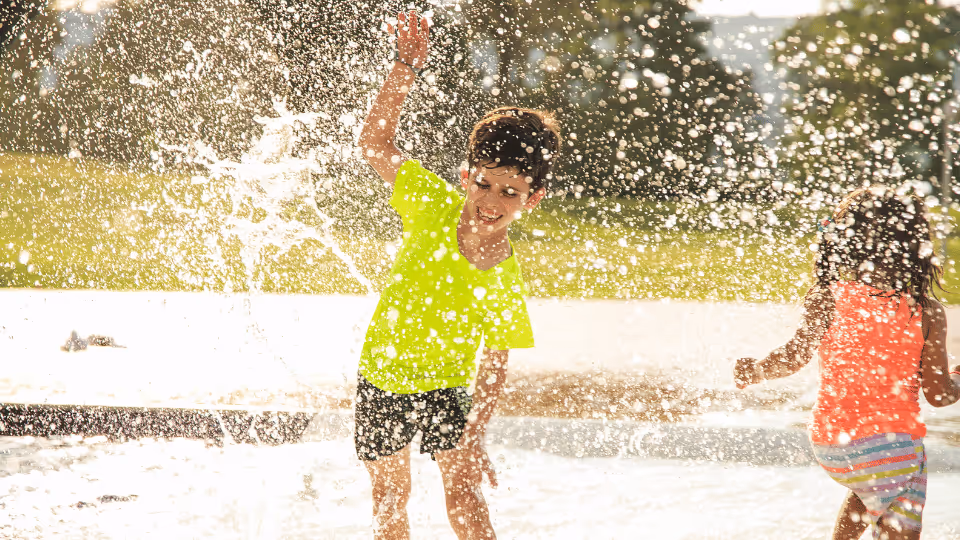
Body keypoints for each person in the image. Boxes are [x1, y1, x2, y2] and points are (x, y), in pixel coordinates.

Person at [354, 10, 560, 540]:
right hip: (382, 371)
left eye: (510, 193)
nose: (492, 202)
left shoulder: (503, 275)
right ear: (467, 176)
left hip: (448, 386)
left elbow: (496, 359)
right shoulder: (431, 205)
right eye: (485, 185)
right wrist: (404, 68)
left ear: (531, 200)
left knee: (464, 491)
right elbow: (376, 145)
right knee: (389, 495)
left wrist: (477, 431)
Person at [733, 185, 960, 540]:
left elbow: (793, 357)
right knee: (901, 479)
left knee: (867, 487)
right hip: (891, 449)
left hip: (831, 445)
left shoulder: (828, 296)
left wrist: (757, 369)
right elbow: (939, 396)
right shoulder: (925, 311)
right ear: (917, 247)